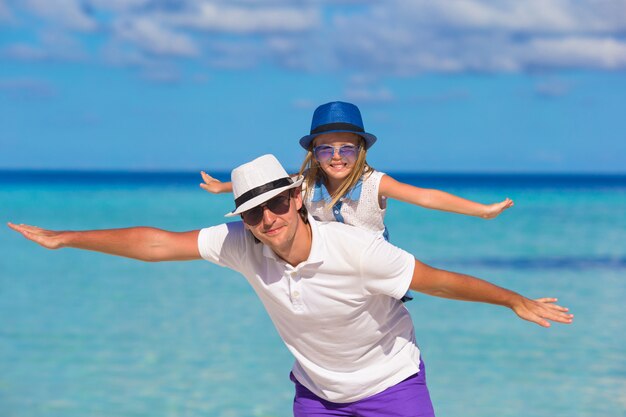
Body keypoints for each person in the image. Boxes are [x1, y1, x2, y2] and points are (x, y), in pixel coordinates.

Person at [8, 154, 573, 417]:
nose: (268, 219)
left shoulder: (354, 249)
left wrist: (513, 300)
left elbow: (440, 281)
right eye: (253, 213)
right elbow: (157, 243)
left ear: (297, 198)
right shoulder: (243, 245)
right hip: (317, 397)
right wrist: (65, 238)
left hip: (392, 387)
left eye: (277, 204)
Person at [199, 101, 514, 302]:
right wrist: (224, 188)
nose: (336, 156)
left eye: (346, 148)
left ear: (360, 150)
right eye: (326, 149)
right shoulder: (306, 182)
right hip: (330, 268)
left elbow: (425, 197)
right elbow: (266, 189)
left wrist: (481, 211)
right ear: (315, 154)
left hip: (371, 267)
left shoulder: (374, 183)